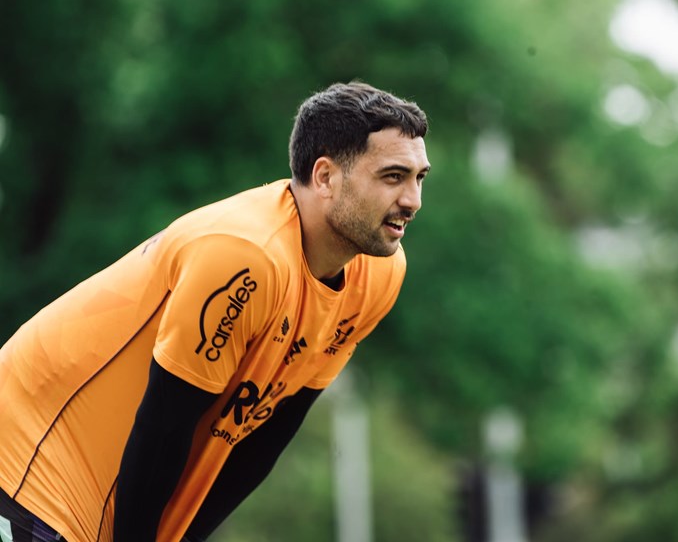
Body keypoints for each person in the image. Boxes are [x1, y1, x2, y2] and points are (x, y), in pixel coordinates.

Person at [0, 81, 430, 542]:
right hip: (27, 462)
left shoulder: (378, 274)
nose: (413, 201)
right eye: (392, 177)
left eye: (419, 178)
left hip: (110, 491)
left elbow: (264, 433)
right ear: (325, 177)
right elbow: (164, 429)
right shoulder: (247, 257)